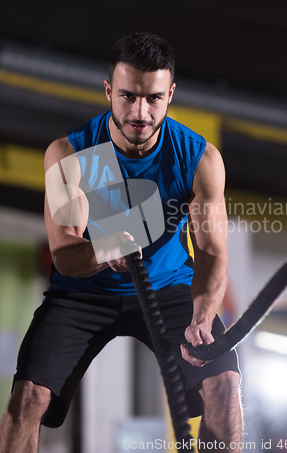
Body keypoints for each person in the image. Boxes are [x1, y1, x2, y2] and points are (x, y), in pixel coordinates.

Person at [0, 32, 242, 452]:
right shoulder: (69, 155)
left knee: (224, 384)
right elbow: (64, 256)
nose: (140, 112)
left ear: (170, 95)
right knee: (28, 397)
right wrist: (102, 250)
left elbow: (211, 252)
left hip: (168, 287)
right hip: (83, 293)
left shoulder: (200, 158)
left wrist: (203, 318)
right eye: (128, 96)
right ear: (109, 90)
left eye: (153, 99)